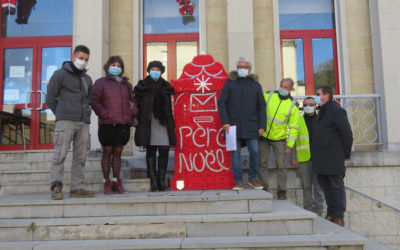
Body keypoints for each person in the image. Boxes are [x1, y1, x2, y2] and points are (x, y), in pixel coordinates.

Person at [46, 45, 95, 200]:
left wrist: (86, 113)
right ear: (73, 56)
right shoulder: (60, 74)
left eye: (86, 59)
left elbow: (89, 99)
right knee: (60, 155)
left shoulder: (87, 79)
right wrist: (61, 113)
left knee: (80, 157)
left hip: (83, 123)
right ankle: (56, 187)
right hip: (65, 121)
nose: (83, 61)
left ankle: (77, 187)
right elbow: (50, 98)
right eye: (81, 58)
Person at [91, 56, 138, 194]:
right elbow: (94, 101)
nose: (116, 68)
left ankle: (116, 182)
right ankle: (106, 182)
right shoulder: (100, 83)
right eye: (113, 65)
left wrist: (132, 113)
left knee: (118, 153)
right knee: (107, 152)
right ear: (107, 67)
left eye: (119, 65)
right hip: (107, 123)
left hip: (123, 124)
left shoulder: (126, 85)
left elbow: (133, 101)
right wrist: (104, 114)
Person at [218, 57, 266, 191]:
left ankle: (253, 178)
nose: (242, 69)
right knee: (235, 153)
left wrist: (262, 125)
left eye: (245, 67)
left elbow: (261, 106)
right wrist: (225, 122)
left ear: (249, 69)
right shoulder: (229, 83)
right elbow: (222, 102)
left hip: (252, 125)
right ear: (236, 68)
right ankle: (238, 181)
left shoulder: (256, 85)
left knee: (255, 151)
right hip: (232, 126)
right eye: (240, 67)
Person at [312, 86, 353, 226]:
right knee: (325, 185)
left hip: (333, 156)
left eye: (318, 94)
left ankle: (338, 216)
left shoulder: (336, 111)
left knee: (336, 186)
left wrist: (346, 153)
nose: (316, 97)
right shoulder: (321, 112)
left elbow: (347, 134)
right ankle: (330, 213)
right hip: (321, 158)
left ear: (327, 95)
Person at [134, 61, 176, 192]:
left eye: (158, 69)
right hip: (147, 122)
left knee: (164, 149)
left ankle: (161, 178)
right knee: (151, 149)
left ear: (161, 71)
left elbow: (169, 106)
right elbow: (136, 105)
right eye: (153, 69)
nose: (155, 71)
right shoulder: (142, 86)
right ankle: (152, 178)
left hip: (163, 122)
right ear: (148, 70)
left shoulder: (166, 86)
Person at [258, 78, 299, 200]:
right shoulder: (269, 95)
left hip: (280, 139)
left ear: (290, 89)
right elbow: (258, 109)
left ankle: (282, 192)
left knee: (281, 166)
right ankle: (264, 189)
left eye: (286, 87)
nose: (282, 89)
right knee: (262, 163)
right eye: (281, 86)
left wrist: (290, 145)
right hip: (264, 136)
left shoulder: (293, 105)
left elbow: (294, 127)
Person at [290, 97, 325, 215]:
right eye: (305, 105)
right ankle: (309, 210)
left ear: (315, 106)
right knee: (306, 186)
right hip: (303, 159)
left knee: (319, 187)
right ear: (303, 107)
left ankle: (319, 210)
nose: (308, 107)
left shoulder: (322, 120)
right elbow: (292, 141)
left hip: (320, 159)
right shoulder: (297, 120)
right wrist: (293, 158)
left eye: (310, 105)